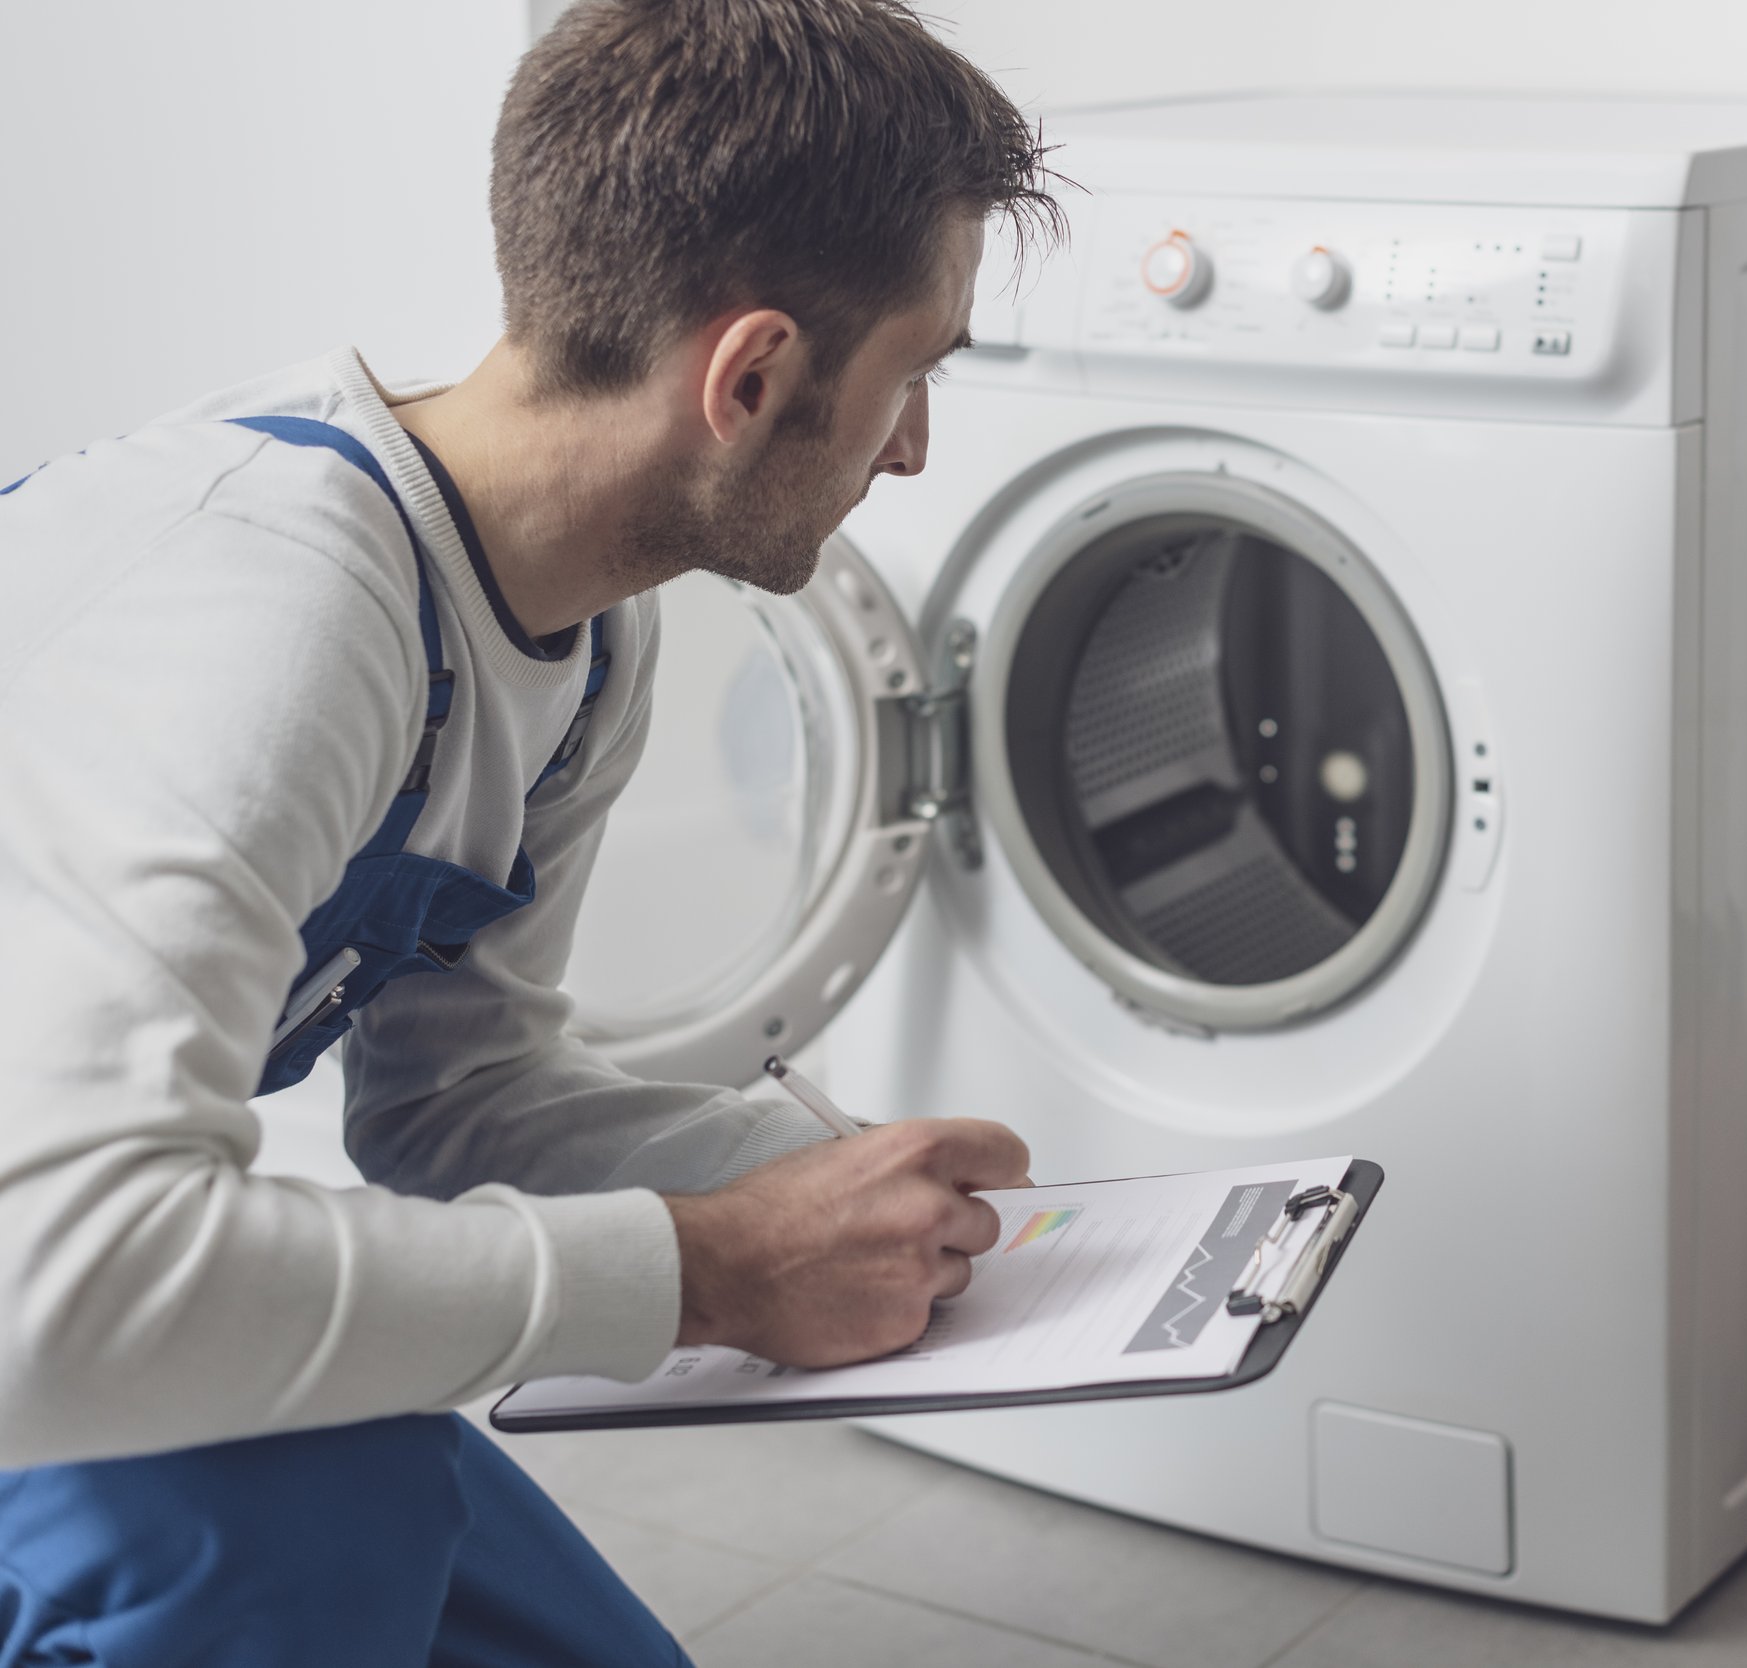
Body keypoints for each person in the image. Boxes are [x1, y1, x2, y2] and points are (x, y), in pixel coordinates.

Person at [0, 2, 1061, 1661]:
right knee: (309, 1512)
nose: (912, 449)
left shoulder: (584, 639)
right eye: (911, 374)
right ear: (755, 372)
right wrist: (707, 1270)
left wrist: (819, 1188)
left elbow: (455, 1106)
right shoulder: (274, 617)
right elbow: (60, 1287)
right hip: (32, 1305)